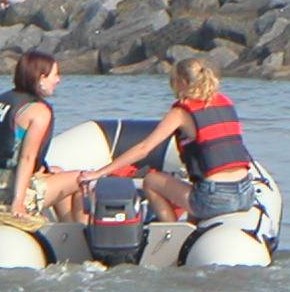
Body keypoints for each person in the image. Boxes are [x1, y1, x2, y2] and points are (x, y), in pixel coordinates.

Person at [78, 58, 255, 223]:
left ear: (183, 83)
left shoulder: (180, 113)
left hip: (215, 197)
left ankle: (171, 234)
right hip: (246, 192)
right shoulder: (225, 101)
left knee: (151, 181)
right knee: (195, 188)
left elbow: (144, 148)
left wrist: (99, 173)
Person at [0, 51, 84, 227]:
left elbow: (10, 149)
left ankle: (66, 229)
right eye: (55, 75)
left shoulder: (1, 101)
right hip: (11, 194)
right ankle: (82, 236)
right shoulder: (38, 112)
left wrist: (44, 169)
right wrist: (18, 202)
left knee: (58, 171)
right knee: (82, 179)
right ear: (41, 78)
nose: (58, 80)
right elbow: (26, 158)